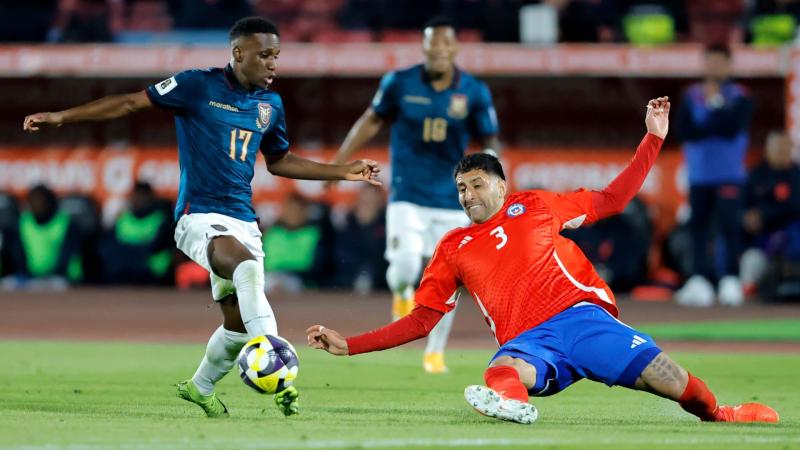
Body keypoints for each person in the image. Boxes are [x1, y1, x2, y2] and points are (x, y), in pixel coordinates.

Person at [306, 97, 779, 425]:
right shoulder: (453, 246)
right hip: (533, 343)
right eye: (461, 189)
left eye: (476, 184)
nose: (467, 195)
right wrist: (351, 345)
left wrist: (652, 140)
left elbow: (612, 200)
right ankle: (513, 406)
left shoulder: (535, 205)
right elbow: (423, 320)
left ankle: (722, 414)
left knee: (676, 382)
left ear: (500, 184)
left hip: (584, 321)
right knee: (500, 371)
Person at [23, 16, 381, 418]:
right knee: (246, 271)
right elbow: (128, 102)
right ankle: (280, 370)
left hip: (244, 221)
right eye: (264, 55)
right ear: (238, 53)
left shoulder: (270, 106)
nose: (272, 64)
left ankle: (200, 386)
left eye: (276, 56)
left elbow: (279, 162)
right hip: (198, 216)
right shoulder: (196, 85)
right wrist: (61, 117)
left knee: (237, 325)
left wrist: (342, 171)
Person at [329, 16, 501, 374]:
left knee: (449, 279)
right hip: (407, 193)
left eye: (444, 44)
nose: (437, 50)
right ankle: (401, 293)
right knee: (406, 264)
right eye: (431, 44)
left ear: (454, 48)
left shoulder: (473, 91)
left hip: (454, 197)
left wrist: (496, 179)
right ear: (424, 48)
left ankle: (435, 353)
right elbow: (372, 119)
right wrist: (340, 162)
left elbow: (490, 140)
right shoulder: (399, 82)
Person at [674, 44, 754, 308]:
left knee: (729, 227)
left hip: (729, 174)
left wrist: (714, 105)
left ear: (729, 66)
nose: (714, 67)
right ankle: (698, 279)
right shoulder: (690, 95)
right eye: (710, 62)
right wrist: (713, 120)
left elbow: (731, 127)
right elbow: (684, 131)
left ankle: (730, 279)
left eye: (720, 62)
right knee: (698, 228)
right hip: (699, 175)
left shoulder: (740, 96)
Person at [740, 131, 800, 296]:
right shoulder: (756, 174)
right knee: (750, 260)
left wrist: (764, 215)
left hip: (791, 238)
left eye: (784, 147)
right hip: (762, 242)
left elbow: (794, 207)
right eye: (777, 147)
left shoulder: (796, 174)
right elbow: (741, 207)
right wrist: (746, 218)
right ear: (767, 150)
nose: (781, 151)